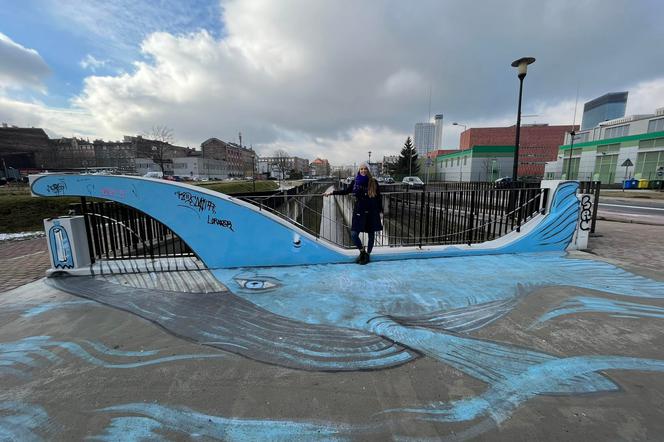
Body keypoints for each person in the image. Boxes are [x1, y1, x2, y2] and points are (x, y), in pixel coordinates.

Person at [324, 163, 383, 264]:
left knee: (371, 234)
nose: (363, 171)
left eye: (365, 169)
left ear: (368, 170)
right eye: (361, 169)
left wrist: (380, 211)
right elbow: (346, 191)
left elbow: (378, 197)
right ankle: (362, 251)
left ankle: (367, 255)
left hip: (372, 211)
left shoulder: (373, 182)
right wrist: (332, 193)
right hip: (359, 211)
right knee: (354, 234)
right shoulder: (355, 182)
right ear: (359, 171)